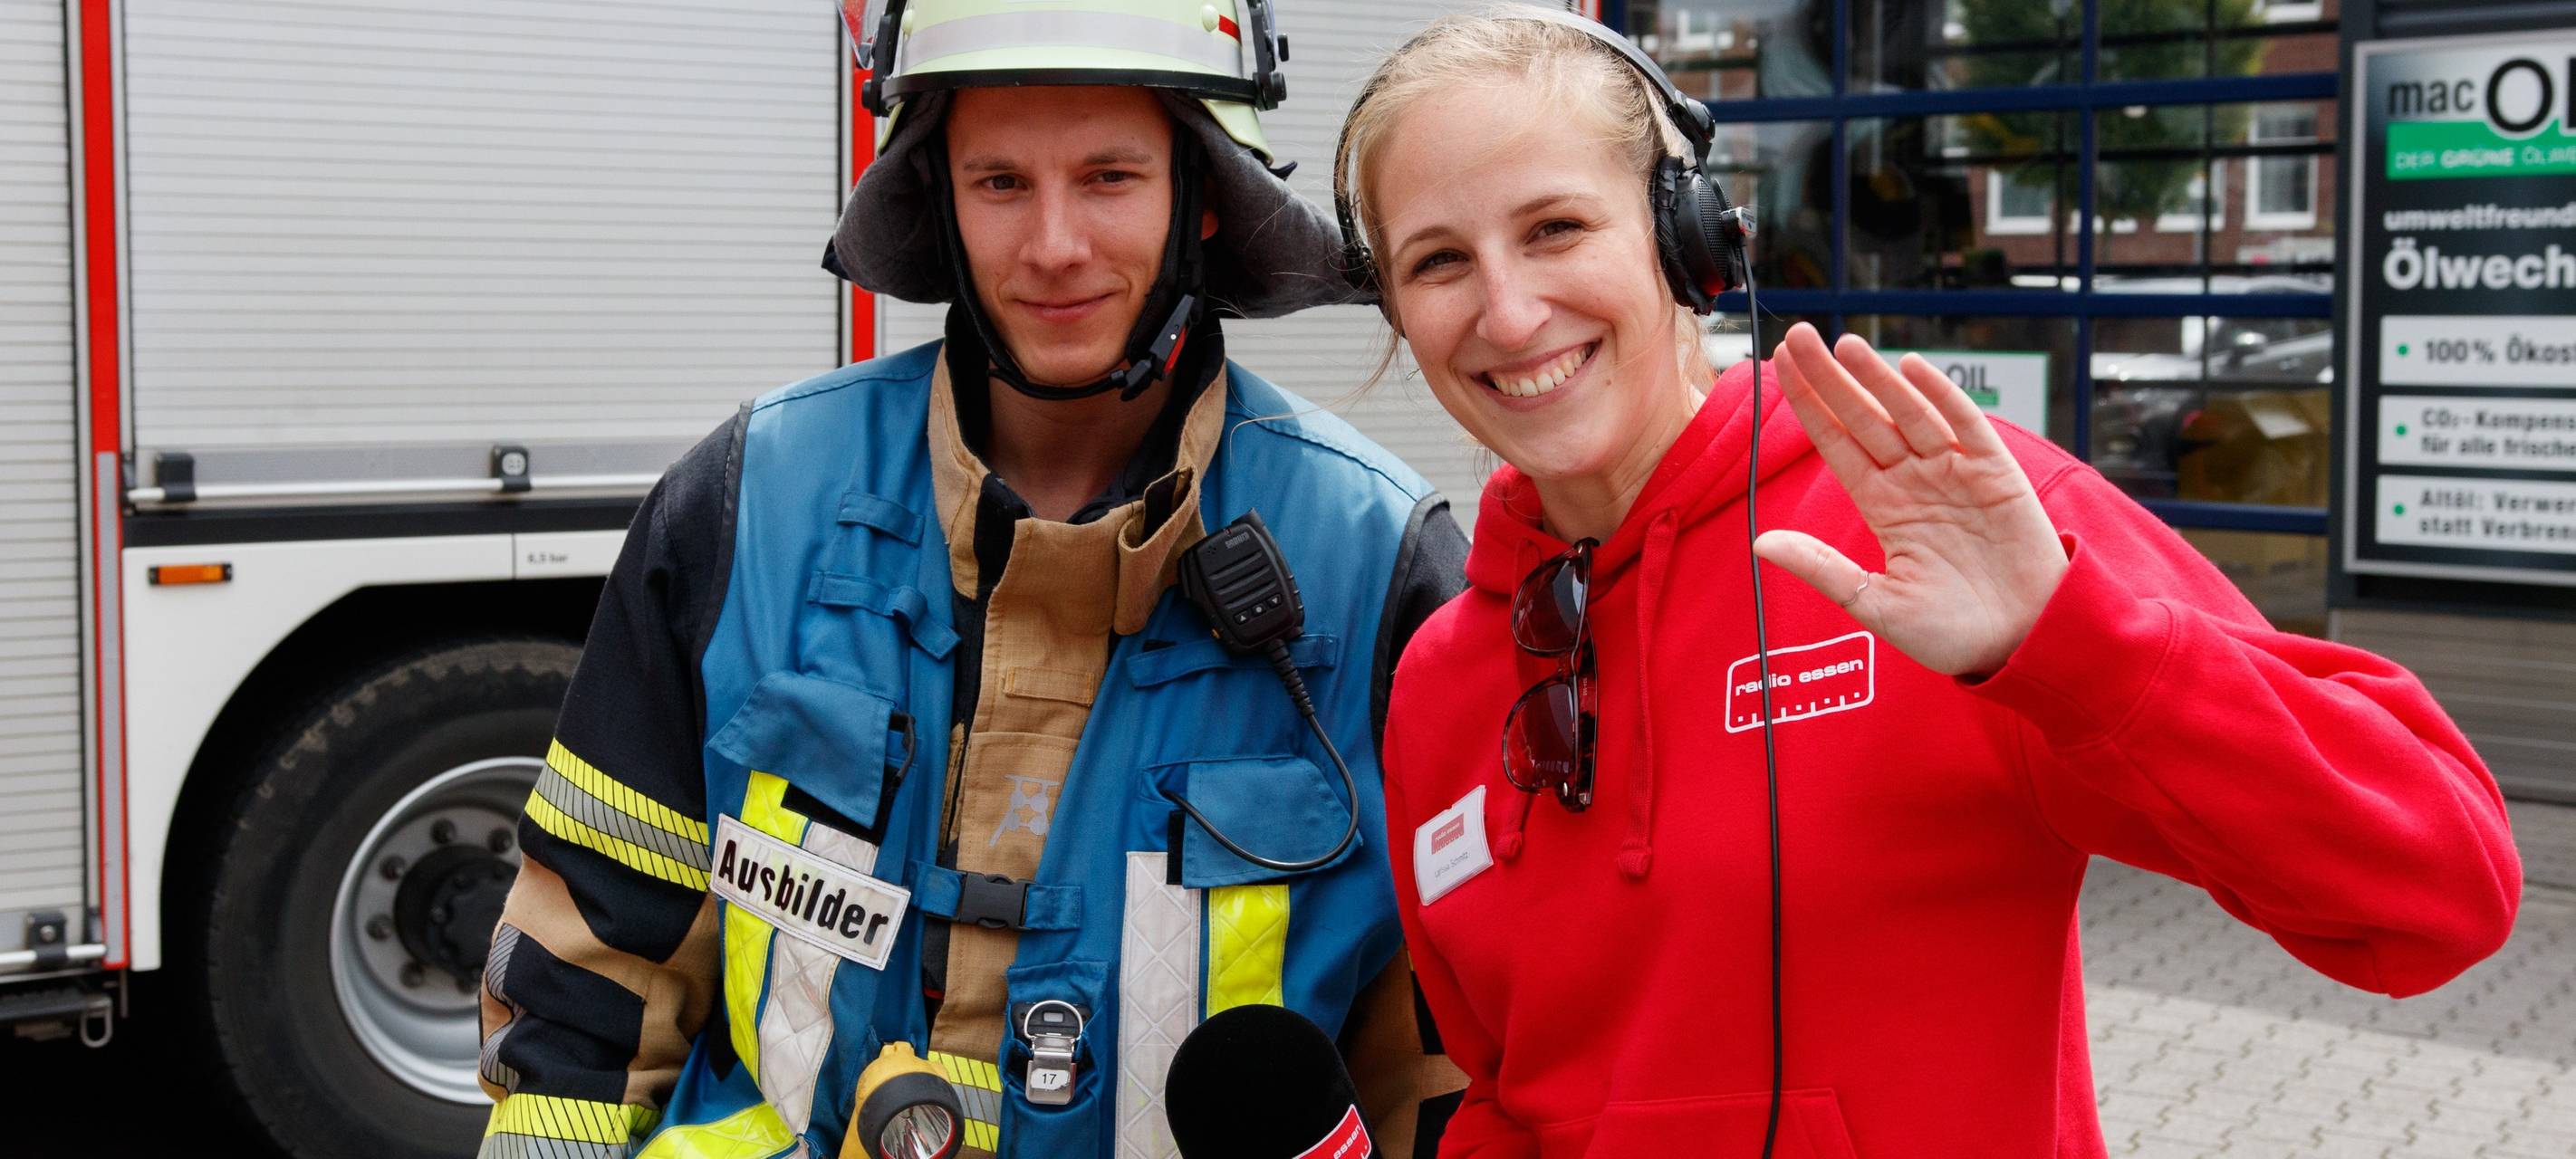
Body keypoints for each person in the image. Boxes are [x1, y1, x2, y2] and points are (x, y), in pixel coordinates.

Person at [1338, 6, 2523, 1156]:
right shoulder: (1445, 677)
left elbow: (2442, 891)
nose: (1507, 309)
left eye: (1555, 228)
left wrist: (2075, 648)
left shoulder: (1946, 522)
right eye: (1440, 260)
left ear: (1687, 236)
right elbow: (1506, 1095)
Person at [472, 2, 1470, 1155]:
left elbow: (1451, 1061)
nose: (1053, 244)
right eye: (1000, 182)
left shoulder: (1375, 560)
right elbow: (585, 992)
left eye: (1108, 176)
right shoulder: (748, 505)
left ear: (1201, 195)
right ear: (936, 198)